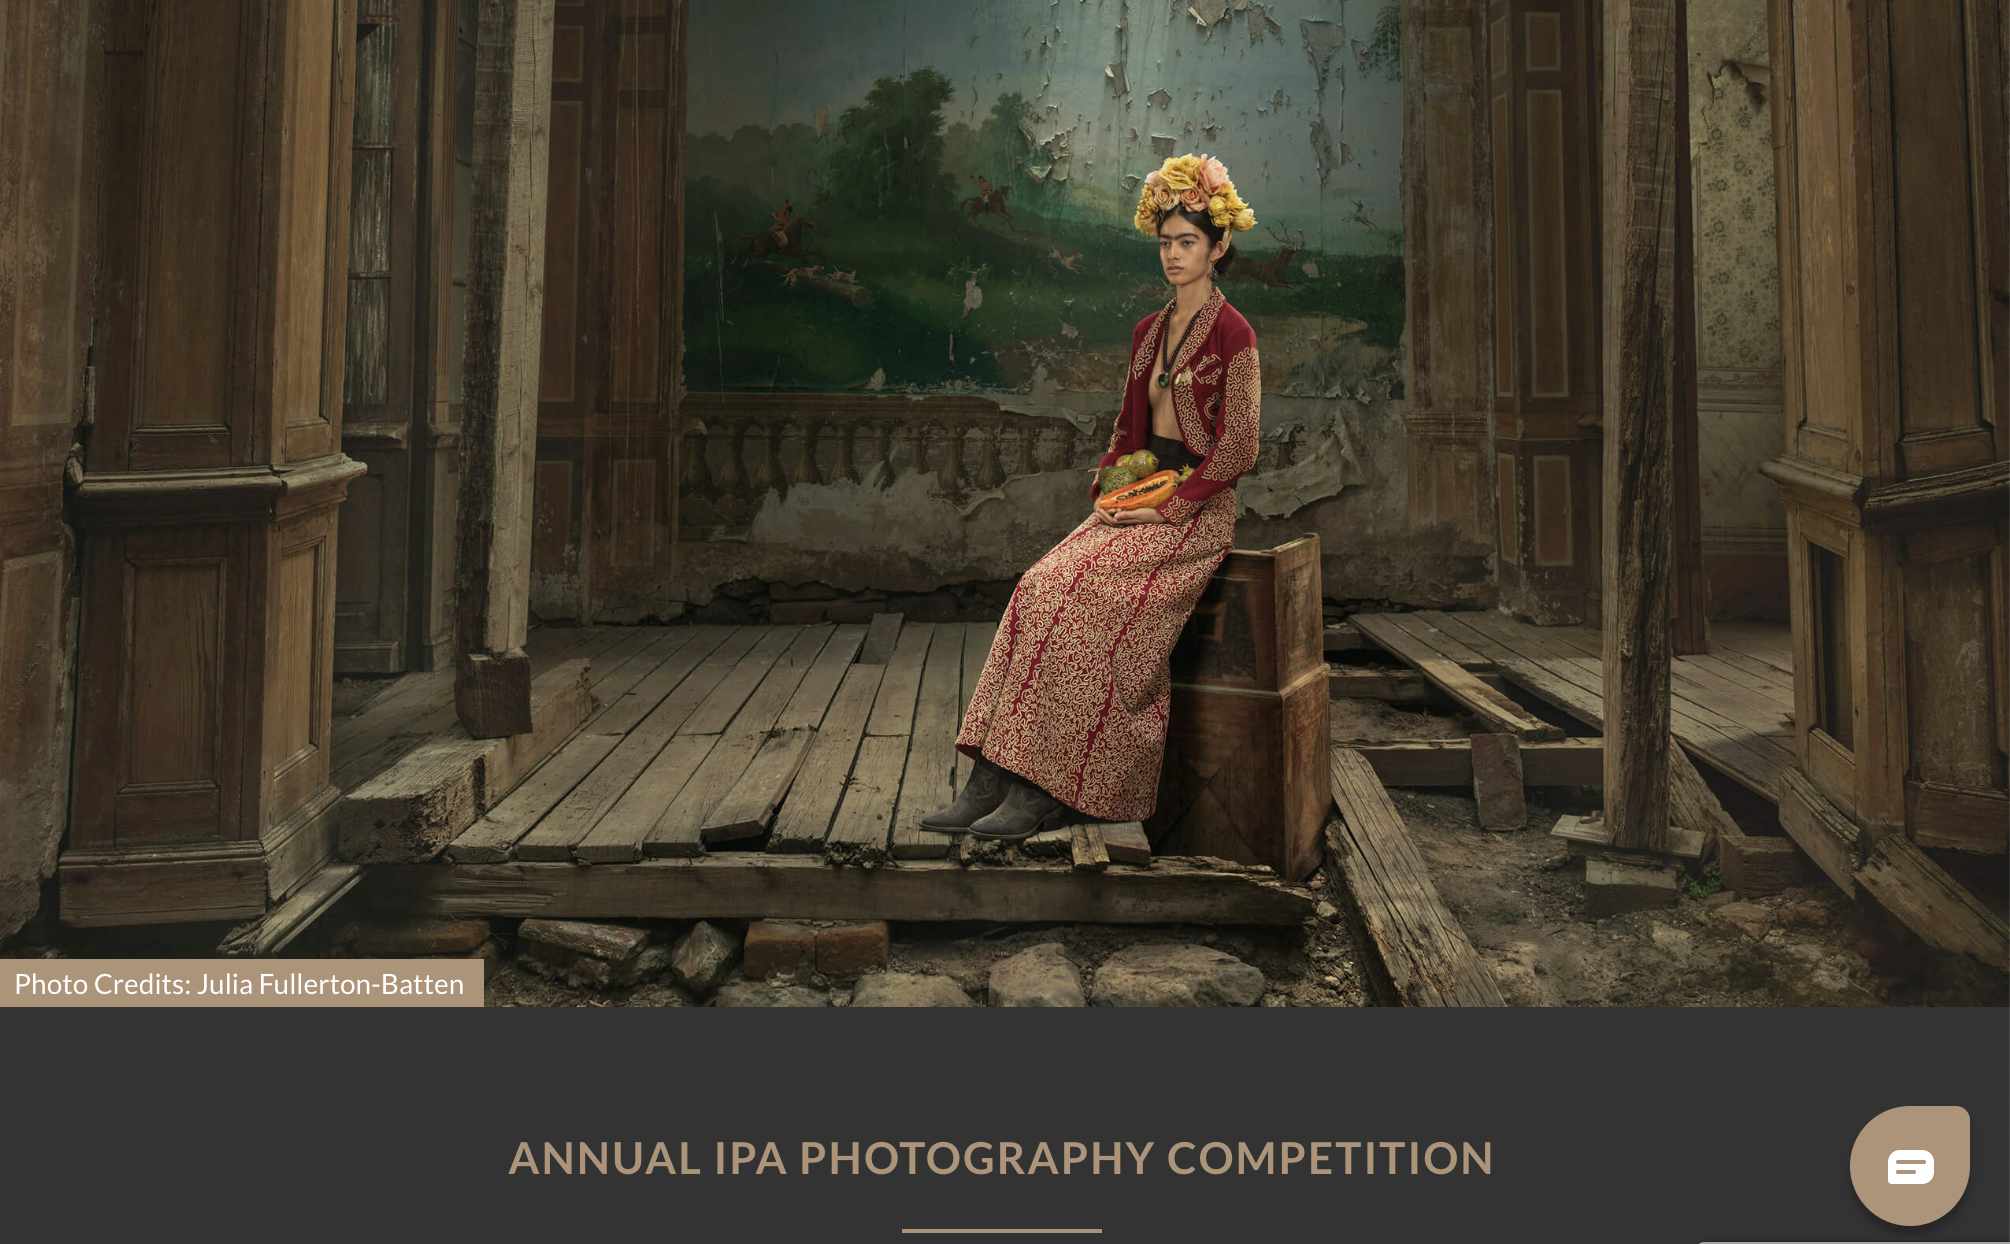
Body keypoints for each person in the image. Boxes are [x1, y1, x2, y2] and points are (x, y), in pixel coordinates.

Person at [922, 153, 1262, 841]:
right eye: (1165, 243)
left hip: (1194, 513)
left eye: (1188, 242)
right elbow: (1126, 433)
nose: (1173, 255)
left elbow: (1238, 449)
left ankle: (1047, 789)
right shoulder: (1148, 333)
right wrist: (1109, 490)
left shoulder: (1235, 334)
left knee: (1080, 603)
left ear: (1218, 246)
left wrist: (1169, 507)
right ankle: (990, 777)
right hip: (1137, 496)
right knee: (1037, 586)